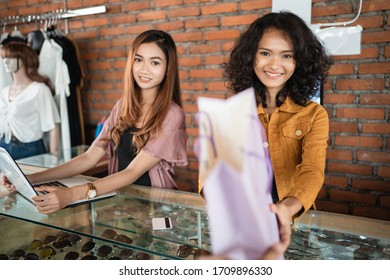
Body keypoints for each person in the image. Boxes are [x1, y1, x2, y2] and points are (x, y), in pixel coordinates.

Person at [2, 30, 188, 214]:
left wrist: (72, 194)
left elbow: (132, 171)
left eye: (155, 62)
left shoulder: (172, 115)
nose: (144, 69)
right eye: (138, 60)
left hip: (157, 207)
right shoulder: (122, 106)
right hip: (124, 204)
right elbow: (89, 157)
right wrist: (30, 179)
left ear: (168, 68)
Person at [220, 11, 332, 234]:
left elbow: (312, 171)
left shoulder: (314, 115)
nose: (274, 64)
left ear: (300, 61)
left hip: (292, 223)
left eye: (286, 56)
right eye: (265, 53)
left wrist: (286, 209)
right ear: (251, 56)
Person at [0, 42, 60, 160]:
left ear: (23, 60)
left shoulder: (39, 90)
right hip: (3, 147)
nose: (5, 62)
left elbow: (53, 125)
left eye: (10, 58)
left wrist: (54, 158)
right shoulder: (4, 91)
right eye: (3, 58)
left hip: (29, 149)